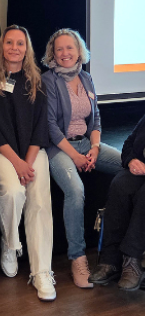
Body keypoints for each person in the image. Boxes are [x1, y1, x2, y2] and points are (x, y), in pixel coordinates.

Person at [41, 29, 123, 289]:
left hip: (87, 143)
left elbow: (95, 120)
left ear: (79, 52)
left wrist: (95, 148)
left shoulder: (86, 77)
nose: (65, 53)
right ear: (53, 53)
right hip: (59, 147)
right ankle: (77, 257)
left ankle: (127, 247)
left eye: (70, 48)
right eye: (59, 49)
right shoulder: (49, 80)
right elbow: (50, 127)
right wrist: (75, 156)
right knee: (76, 190)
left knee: (128, 165)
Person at [0, 25, 55, 301]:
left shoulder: (37, 82)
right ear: (1, 47)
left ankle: (41, 272)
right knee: (13, 192)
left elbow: (41, 127)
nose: (14, 48)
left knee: (39, 200)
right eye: (9, 42)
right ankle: (10, 244)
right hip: (3, 152)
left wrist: (27, 162)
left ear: (27, 49)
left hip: (33, 151)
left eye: (20, 43)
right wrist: (17, 163)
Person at [88, 113, 145, 290]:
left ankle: (132, 260)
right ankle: (110, 260)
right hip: (141, 170)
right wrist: (132, 160)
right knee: (120, 185)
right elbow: (128, 144)